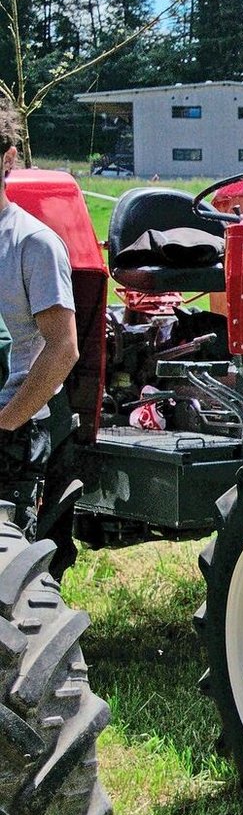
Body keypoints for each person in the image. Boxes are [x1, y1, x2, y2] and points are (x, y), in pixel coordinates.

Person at [0, 102, 78, 539]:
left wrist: (7, 422)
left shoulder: (32, 244)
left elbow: (62, 348)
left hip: (14, 434)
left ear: (8, 159)